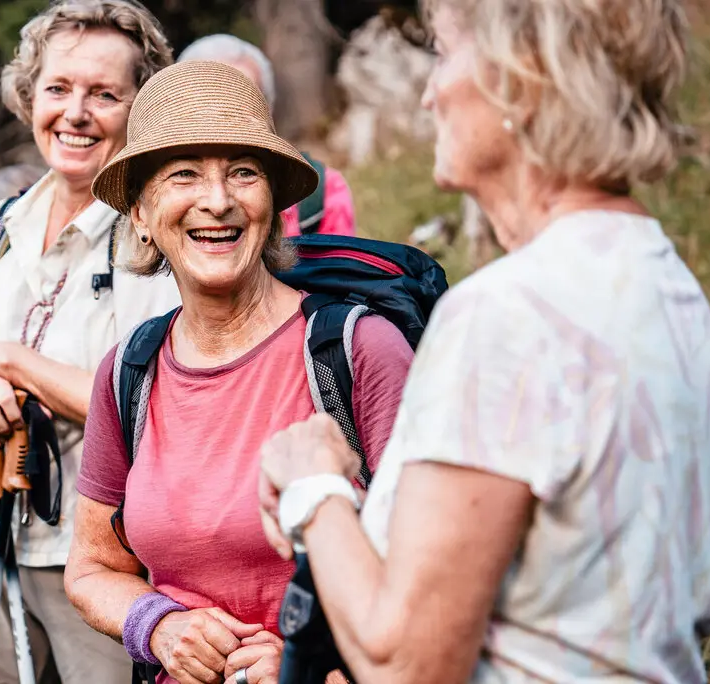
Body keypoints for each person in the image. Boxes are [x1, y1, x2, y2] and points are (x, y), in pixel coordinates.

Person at [255, 1, 710, 682]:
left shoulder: (510, 314)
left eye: (444, 52)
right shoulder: (668, 286)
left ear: (527, 78)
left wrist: (311, 483)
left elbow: (406, 663)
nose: (427, 92)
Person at [63, 60, 415, 684]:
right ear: (141, 215)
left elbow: (433, 579)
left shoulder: (357, 351)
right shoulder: (130, 370)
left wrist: (311, 669)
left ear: (274, 202)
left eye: (243, 173)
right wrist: (158, 626)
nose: (218, 201)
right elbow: (91, 568)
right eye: (183, 175)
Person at [0, 2, 180, 683]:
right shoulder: (3, 222)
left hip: (102, 557)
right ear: (28, 95)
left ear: (139, 109)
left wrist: (8, 363)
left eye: (105, 94)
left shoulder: (151, 235)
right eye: (58, 88)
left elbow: (143, 410)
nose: (75, 112)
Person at [178, 34, 357, 238]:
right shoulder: (158, 191)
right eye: (211, 101)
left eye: (247, 101)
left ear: (269, 110)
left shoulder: (320, 191)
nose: (228, 117)